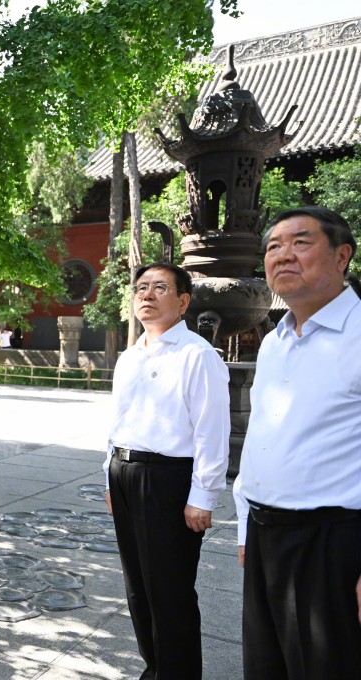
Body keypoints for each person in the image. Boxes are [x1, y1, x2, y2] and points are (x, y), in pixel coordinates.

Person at [233, 206, 361, 679]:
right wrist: (247, 521)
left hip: (331, 543)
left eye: (301, 243)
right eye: (273, 247)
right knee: (266, 667)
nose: (283, 255)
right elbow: (265, 434)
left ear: (342, 255)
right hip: (266, 536)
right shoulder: (275, 340)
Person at [104, 262, 230, 680]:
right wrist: (109, 470)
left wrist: (203, 496)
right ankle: (155, 668)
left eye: (160, 287)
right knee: (137, 587)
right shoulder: (130, 356)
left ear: (183, 301)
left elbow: (212, 431)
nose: (147, 295)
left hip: (168, 480)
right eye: (141, 288)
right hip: (125, 473)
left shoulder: (197, 355)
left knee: (169, 590)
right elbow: (118, 420)